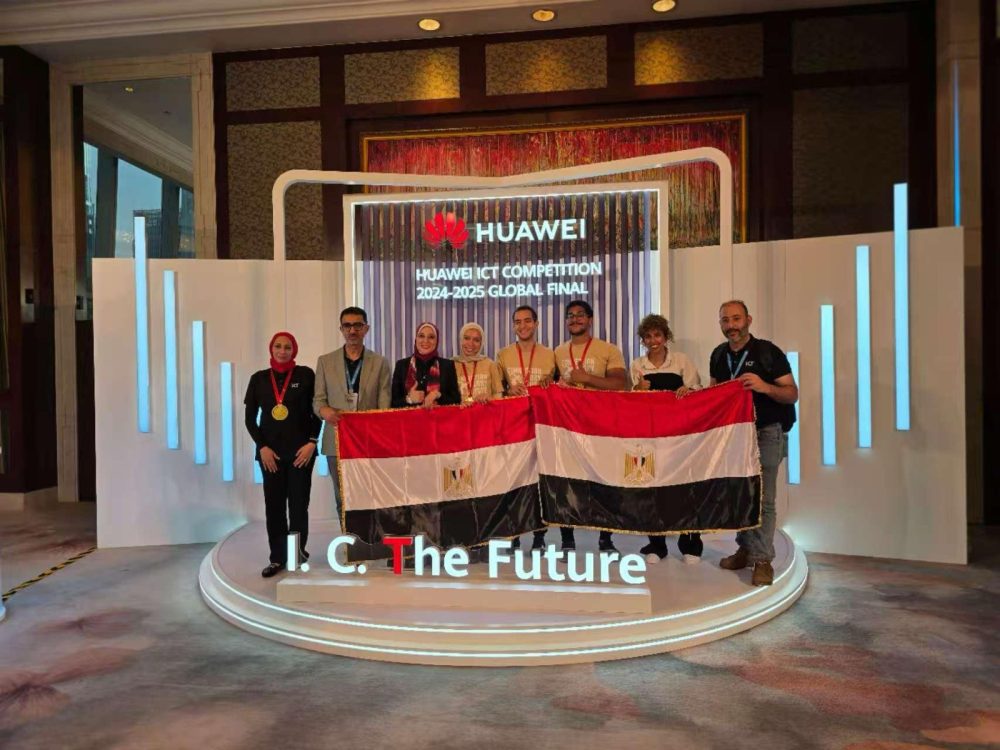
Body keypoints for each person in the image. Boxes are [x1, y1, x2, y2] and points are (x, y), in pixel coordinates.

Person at [710, 300, 798, 587]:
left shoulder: (768, 352)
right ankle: (745, 549)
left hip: (766, 432)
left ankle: (762, 560)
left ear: (748, 320)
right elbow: (714, 394)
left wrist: (764, 386)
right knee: (741, 495)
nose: (731, 326)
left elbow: (792, 393)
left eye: (736, 319)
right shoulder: (719, 355)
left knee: (763, 499)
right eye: (725, 320)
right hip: (735, 436)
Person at [244, 331, 321, 578]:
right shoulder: (258, 379)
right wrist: (262, 447)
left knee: (299, 506)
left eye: (288, 347)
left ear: (294, 350)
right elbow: (250, 419)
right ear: (271, 349)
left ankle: (297, 555)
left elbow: (317, 411)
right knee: (274, 506)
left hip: (301, 454)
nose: (282, 351)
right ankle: (277, 558)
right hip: (270, 456)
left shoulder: (306, 375)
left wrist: (312, 442)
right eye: (278, 346)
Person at [553, 299, 628, 554]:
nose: (575, 319)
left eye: (580, 315)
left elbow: (620, 384)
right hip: (568, 427)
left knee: (604, 482)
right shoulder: (558, 352)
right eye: (570, 315)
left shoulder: (608, 349)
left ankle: (606, 540)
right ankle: (567, 540)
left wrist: (586, 378)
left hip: (600, 426)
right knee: (566, 482)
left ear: (590, 319)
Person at [313, 306, 391, 546]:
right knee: (342, 498)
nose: (352, 330)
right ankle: (351, 546)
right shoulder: (325, 362)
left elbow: (384, 406)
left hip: (368, 442)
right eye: (347, 326)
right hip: (336, 440)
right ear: (341, 329)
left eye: (357, 325)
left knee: (368, 496)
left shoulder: (380, 363)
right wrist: (325, 411)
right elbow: (318, 401)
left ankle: (370, 544)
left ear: (366, 329)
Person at [629, 314, 703, 564]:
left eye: (657, 335)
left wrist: (688, 390)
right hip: (650, 436)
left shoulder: (681, 361)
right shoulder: (637, 365)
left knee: (685, 488)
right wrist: (637, 390)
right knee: (652, 489)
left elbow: (698, 392)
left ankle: (690, 545)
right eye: (648, 336)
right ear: (643, 340)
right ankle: (657, 544)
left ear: (666, 336)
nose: (653, 340)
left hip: (680, 435)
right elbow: (632, 402)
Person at [496, 305, 558, 551]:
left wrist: (549, 383)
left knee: (539, 483)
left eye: (527, 321)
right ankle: (514, 534)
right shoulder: (503, 355)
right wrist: (507, 389)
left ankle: (540, 536)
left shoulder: (549, 354)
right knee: (515, 481)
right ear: (513, 326)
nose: (522, 326)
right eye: (518, 322)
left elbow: (557, 388)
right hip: (513, 427)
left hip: (541, 426)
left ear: (536, 324)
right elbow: (497, 389)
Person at [391, 322, 462, 408]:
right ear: (416, 339)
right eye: (421, 336)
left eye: (431, 337)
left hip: (439, 417)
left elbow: (456, 400)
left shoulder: (447, 365)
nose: (426, 341)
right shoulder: (401, 365)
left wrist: (438, 395)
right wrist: (409, 399)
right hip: (408, 417)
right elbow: (393, 403)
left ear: (437, 341)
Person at [453, 322, 504, 403]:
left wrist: (489, 398)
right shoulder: (451, 364)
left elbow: (498, 395)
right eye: (466, 338)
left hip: (486, 410)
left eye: (476, 340)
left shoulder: (489, 364)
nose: (470, 343)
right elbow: (446, 398)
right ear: (461, 340)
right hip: (460, 411)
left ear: (481, 343)